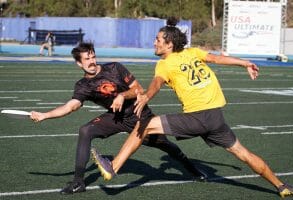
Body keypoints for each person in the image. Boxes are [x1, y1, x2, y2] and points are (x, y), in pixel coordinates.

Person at [92, 18, 293, 198]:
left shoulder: (165, 64)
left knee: (142, 125)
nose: (154, 42)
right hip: (216, 119)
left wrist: (146, 96)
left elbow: (156, 84)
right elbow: (217, 58)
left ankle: (113, 166)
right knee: (244, 153)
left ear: (169, 44)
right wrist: (245, 63)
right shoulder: (193, 52)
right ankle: (281, 185)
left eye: (158, 40)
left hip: (198, 118)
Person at [30, 42, 207, 195]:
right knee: (85, 130)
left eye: (92, 56)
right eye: (86, 59)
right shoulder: (83, 85)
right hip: (116, 118)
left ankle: (192, 169)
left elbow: (139, 89)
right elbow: (71, 106)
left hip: (139, 116)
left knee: (166, 145)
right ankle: (78, 182)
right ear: (79, 63)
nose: (91, 61)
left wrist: (122, 95)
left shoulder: (114, 68)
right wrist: (45, 115)